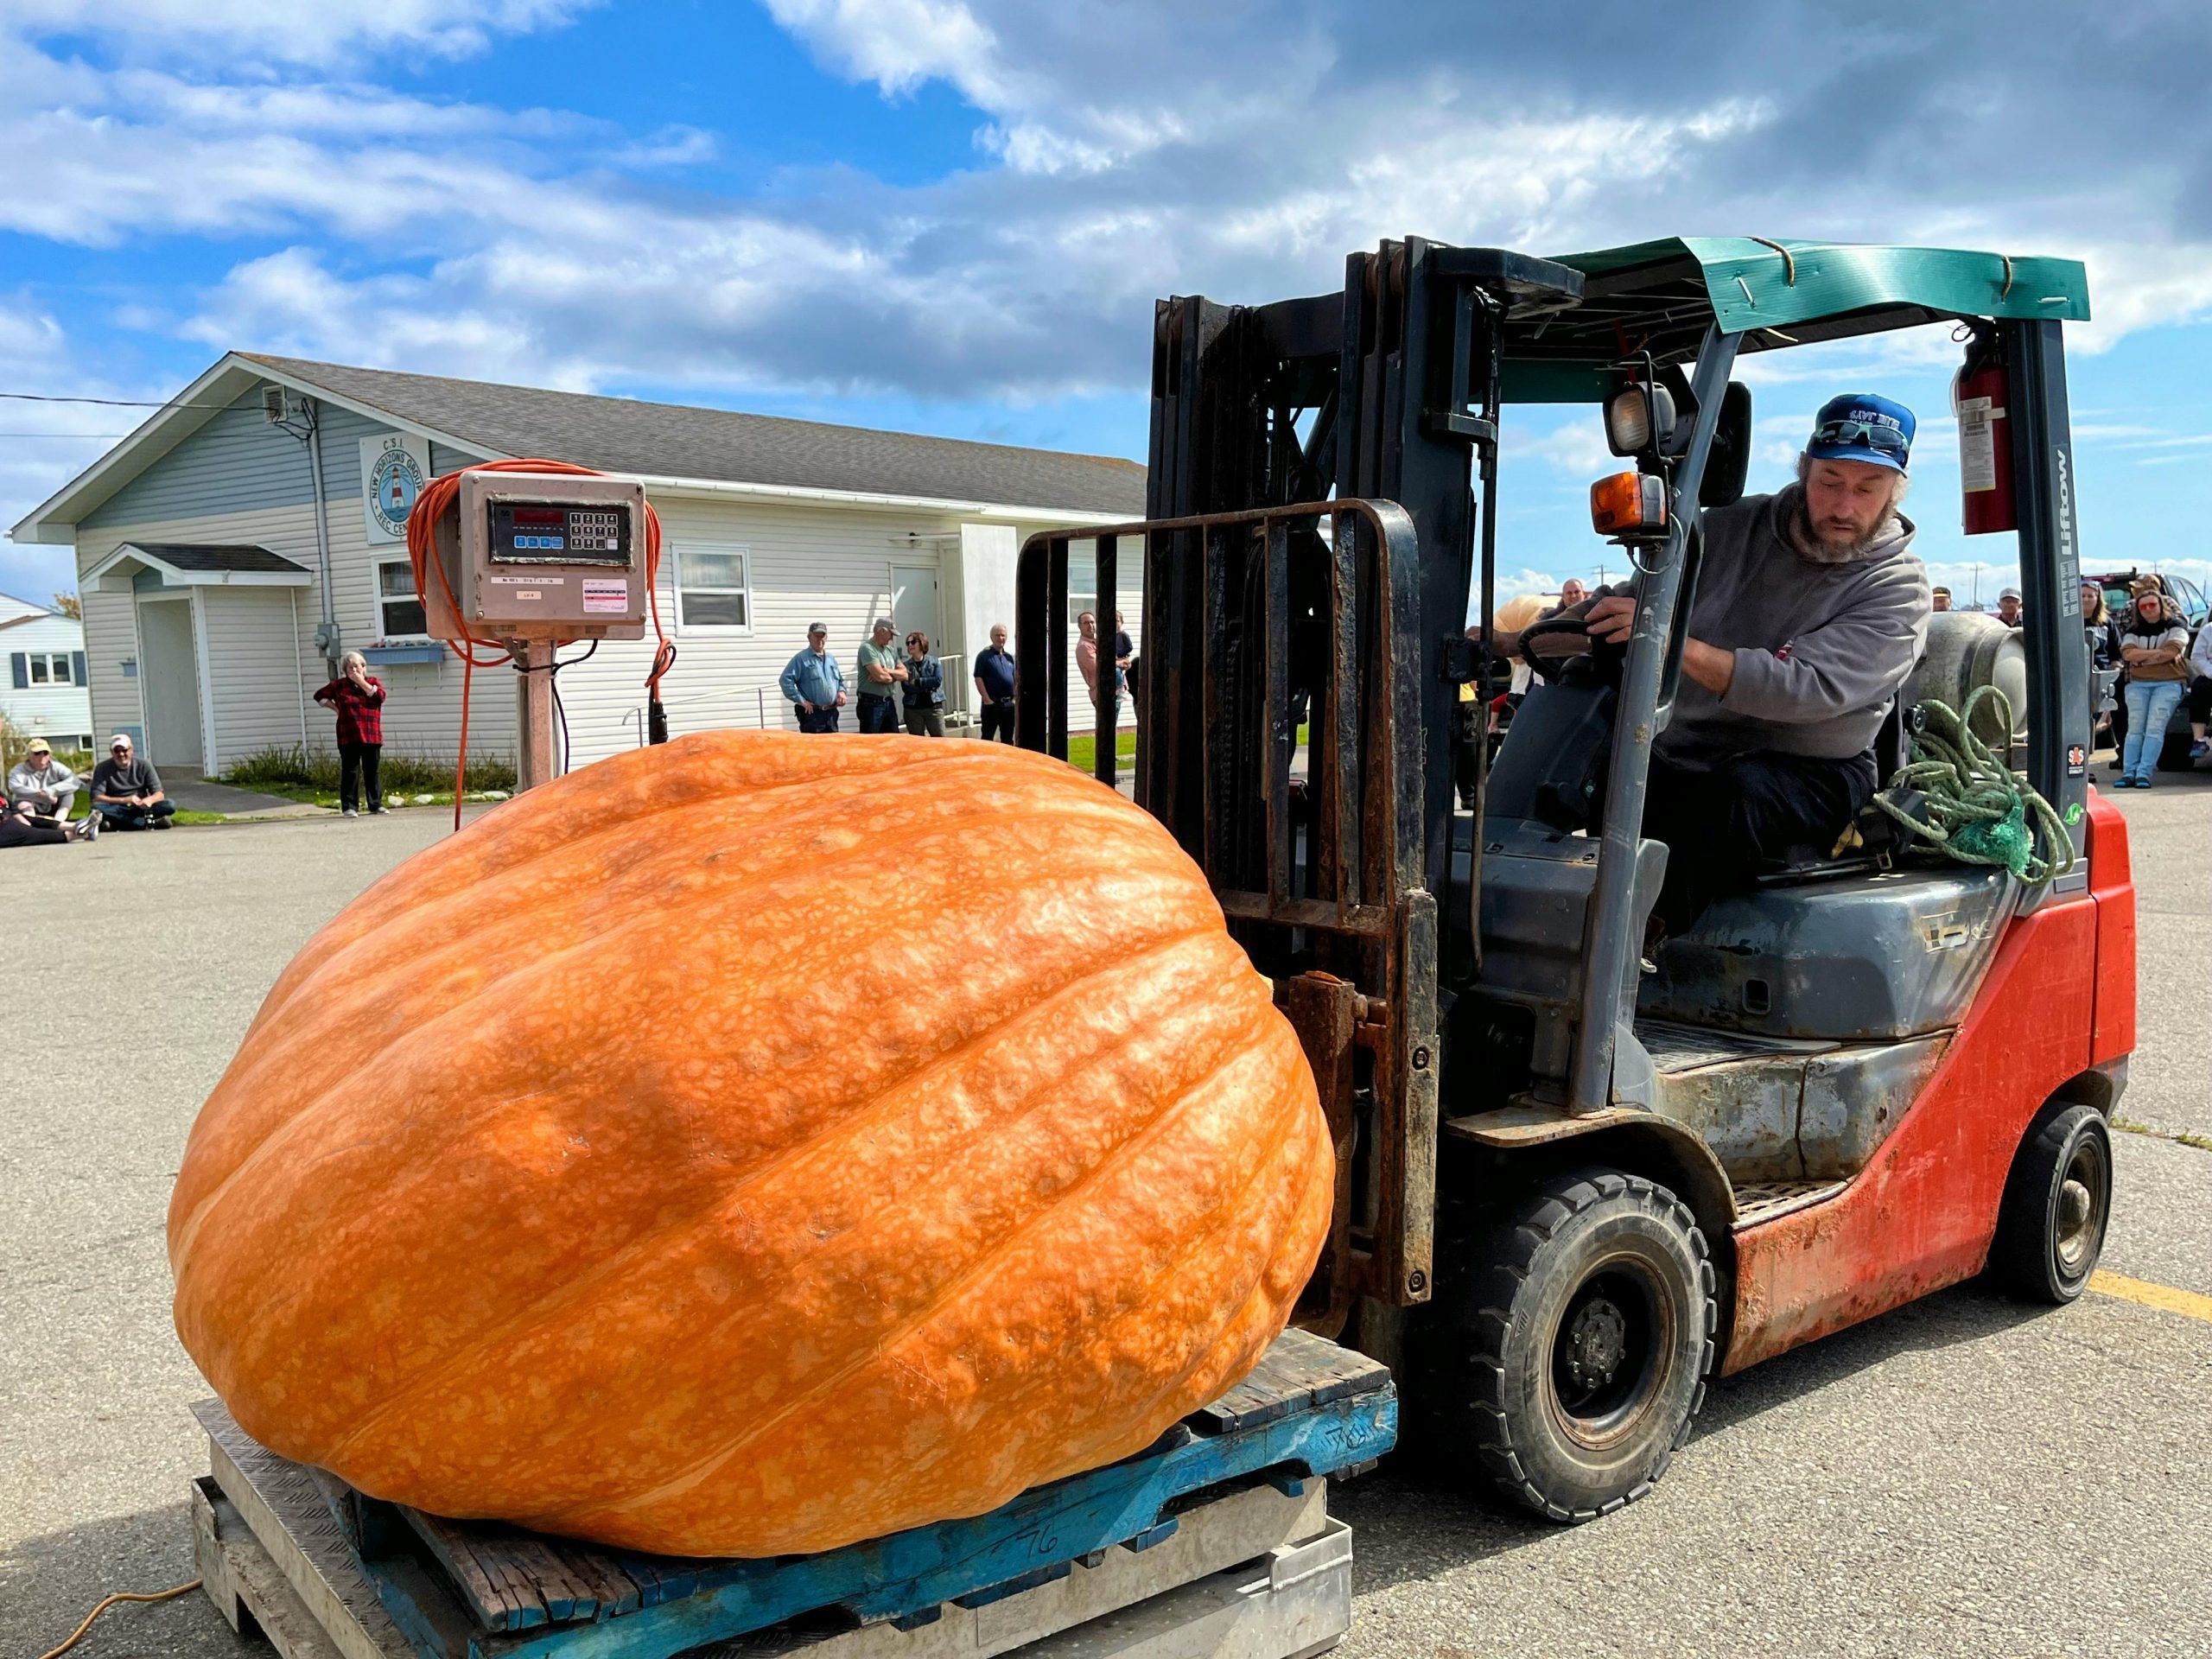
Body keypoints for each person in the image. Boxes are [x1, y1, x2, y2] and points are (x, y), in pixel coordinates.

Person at [1586, 392, 1929, 938]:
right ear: (1805, 469)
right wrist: (1513, 641)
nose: (1844, 506)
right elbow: (1634, 603)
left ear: (1895, 491)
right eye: (1830, 482)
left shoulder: (1898, 587)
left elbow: (1803, 689)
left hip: (1810, 767)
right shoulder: (1728, 529)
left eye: (1867, 489)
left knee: (1735, 794)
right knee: (1586, 766)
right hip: (1690, 743)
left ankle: (1630, 948)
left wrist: (1675, 644)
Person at [2113, 582, 2191, 787]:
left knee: (2155, 728)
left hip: (2169, 683)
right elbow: (2128, 653)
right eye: (2143, 606)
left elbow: (2174, 651)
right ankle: (2128, 773)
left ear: (2161, 605)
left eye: (2152, 605)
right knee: (2135, 729)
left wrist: (2143, 658)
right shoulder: (2133, 629)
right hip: (2137, 684)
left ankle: (2144, 773)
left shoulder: (2175, 625)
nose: (2148, 609)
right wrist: (2158, 653)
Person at [314, 650, 387, 818]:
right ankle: (349, 806)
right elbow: (319, 696)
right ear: (345, 671)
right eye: (350, 668)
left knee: (372, 771)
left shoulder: (372, 682)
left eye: (357, 667)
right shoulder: (339, 686)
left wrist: (361, 682)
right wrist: (335, 708)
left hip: (371, 734)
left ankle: (376, 805)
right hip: (348, 734)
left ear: (364, 667)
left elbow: (379, 698)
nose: (354, 671)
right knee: (350, 771)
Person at [89, 734, 175, 830]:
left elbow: (159, 794)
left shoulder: (144, 765)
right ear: (111, 752)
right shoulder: (102, 768)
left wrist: (149, 800)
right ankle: (147, 823)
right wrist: (126, 800)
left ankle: (116, 824)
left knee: (170, 805)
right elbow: (97, 798)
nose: (121, 754)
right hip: (116, 808)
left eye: (124, 750)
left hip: (140, 808)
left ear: (131, 750)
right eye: (117, 751)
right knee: (97, 808)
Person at [780, 622, 848, 733]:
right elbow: (785, 680)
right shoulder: (801, 659)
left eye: (822, 636)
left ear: (826, 638)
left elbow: (839, 680)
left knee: (833, 748)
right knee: (812, 749)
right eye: (816, 636)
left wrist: (841, 691)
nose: (819, 639)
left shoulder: (831, 659)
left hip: (831, 714)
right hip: (812, 716)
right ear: (809, 637)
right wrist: (801, 700)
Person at [855, 618, 907, 734]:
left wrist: (887, 670)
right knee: (872, 742)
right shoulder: (867, 648)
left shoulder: (890, 650)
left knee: (892, 739)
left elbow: (905, 674)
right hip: (871, 703)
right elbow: (881, 677)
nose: (891, 638)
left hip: (888, 701)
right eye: (890, 634)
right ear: (882, 631)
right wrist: (892, 676)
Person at [7, 738, 79, 823]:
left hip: (53, 802)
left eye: (45, 753)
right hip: (31, 804)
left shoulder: (56, 767)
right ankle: (31, 824)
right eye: (37, 753)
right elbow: (14, 787)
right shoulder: (19, 770)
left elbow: (74, 781)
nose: (42, 757)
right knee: (23, 802)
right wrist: (38, 793)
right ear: (29, 755)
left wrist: (50, 791)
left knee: (68, 794)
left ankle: (58, 821)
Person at [973, 624, 1017, 743]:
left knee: (1007, 740)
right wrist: (987, 699)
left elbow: (1015, 679)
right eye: (997, 635)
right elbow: (978, 678)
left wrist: (1014, 699)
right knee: (987, 739)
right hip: (991, 705)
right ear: (992, 637)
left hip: (1008, 705)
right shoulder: (984, 656)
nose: (1000, 638)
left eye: (1003, 635)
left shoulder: (1009, 658)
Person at [1075, 611, 1123, 721]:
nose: (1090, 625)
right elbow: (1100, 668)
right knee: (1108, 728)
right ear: (1079, 626)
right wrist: (1120, 663)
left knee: (1111, 727)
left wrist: (1123, 661)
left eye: (1092, 622)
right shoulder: (1084, 647)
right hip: (1102, 693)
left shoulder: (1097, 641)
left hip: (1113, 689)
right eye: (1086, 623)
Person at [0, 797, 99, 847]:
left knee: (34, 820)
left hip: (5, 817)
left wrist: (21, 819)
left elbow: (10, 807)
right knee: (33, 834)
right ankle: (84, 834)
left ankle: (75, 826)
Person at [900, 630, 945, 737]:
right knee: (917, 744)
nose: (910, 645)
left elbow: (937, 681)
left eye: (913, 642)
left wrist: (917, 681)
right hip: (913, 710)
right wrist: (928, 684)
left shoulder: (934, 661)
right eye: (908, 643)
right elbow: (907, 687)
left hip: (934, 707)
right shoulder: (905, 665)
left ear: (922, 643)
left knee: (941, 741)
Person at [2185, 607, 2212, 761]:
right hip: (2210, 674)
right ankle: (2199, 740)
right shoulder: (2208, 630)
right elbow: (2197, 657)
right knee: (2199, 688)